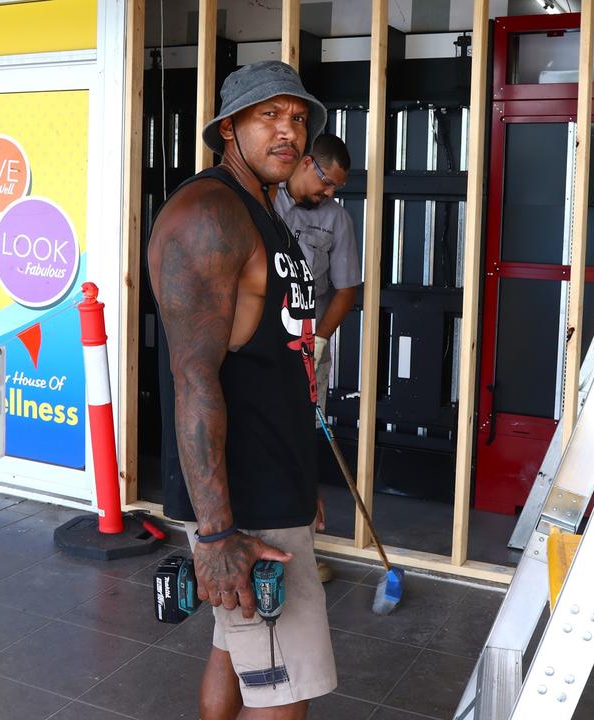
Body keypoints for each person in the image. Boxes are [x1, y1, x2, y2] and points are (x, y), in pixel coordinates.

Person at [147, 60, 335, 720]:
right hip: (244, 502)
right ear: (228, 128)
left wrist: (300, 475)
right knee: (283, 688)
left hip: (270, 480)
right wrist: (218, 531)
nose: (289, 131)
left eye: (298, 118)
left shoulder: (264, 213)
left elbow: (273, 361)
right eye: (269, 116)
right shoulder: (208, 214)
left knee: (237, 648)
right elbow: (193, 379)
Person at [272, 135, 361, 415]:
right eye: (327, 182)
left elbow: (347, 289)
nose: (331, 193)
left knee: (302, 433)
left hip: (309, 348)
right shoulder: (265, 200)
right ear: (307, 163)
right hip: (263, 345)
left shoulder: (337, 220)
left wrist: (319, 342)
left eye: (337, 186)